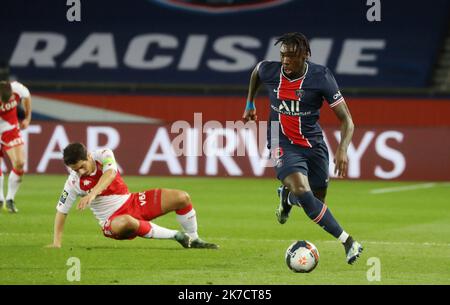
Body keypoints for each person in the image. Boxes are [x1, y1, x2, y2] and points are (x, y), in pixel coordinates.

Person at [242, 32, 363, 264]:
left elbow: (347, 120)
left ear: (305, 55)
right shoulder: (271, 71)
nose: (286, 60)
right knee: (302, 191)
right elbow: (257, 71)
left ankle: (287, 198)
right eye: (283, 55)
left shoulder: (321, 77)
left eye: (292, 56)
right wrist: (249, 103)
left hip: (313, 144)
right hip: (281, 141)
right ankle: (348, 241)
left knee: (315, 201)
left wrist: (342, 149)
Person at [46, 142, 219, 249]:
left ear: (89, 156)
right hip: (112, 221)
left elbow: (111, 174)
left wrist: (92, 195)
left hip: (133, 201)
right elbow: (62, 211)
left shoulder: (104, 154)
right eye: (75, 170)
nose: (80, 172)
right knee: (127, 222)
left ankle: (194, 239)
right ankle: (176, 235)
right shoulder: (73, 182)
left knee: (182, 198)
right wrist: (57, 242)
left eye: (81, 166)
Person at [0, 74, 32, 213]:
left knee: (20, 163)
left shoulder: (17, 88)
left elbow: (27, 96)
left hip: (10, 129)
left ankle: (10, 199)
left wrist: (27, 117)